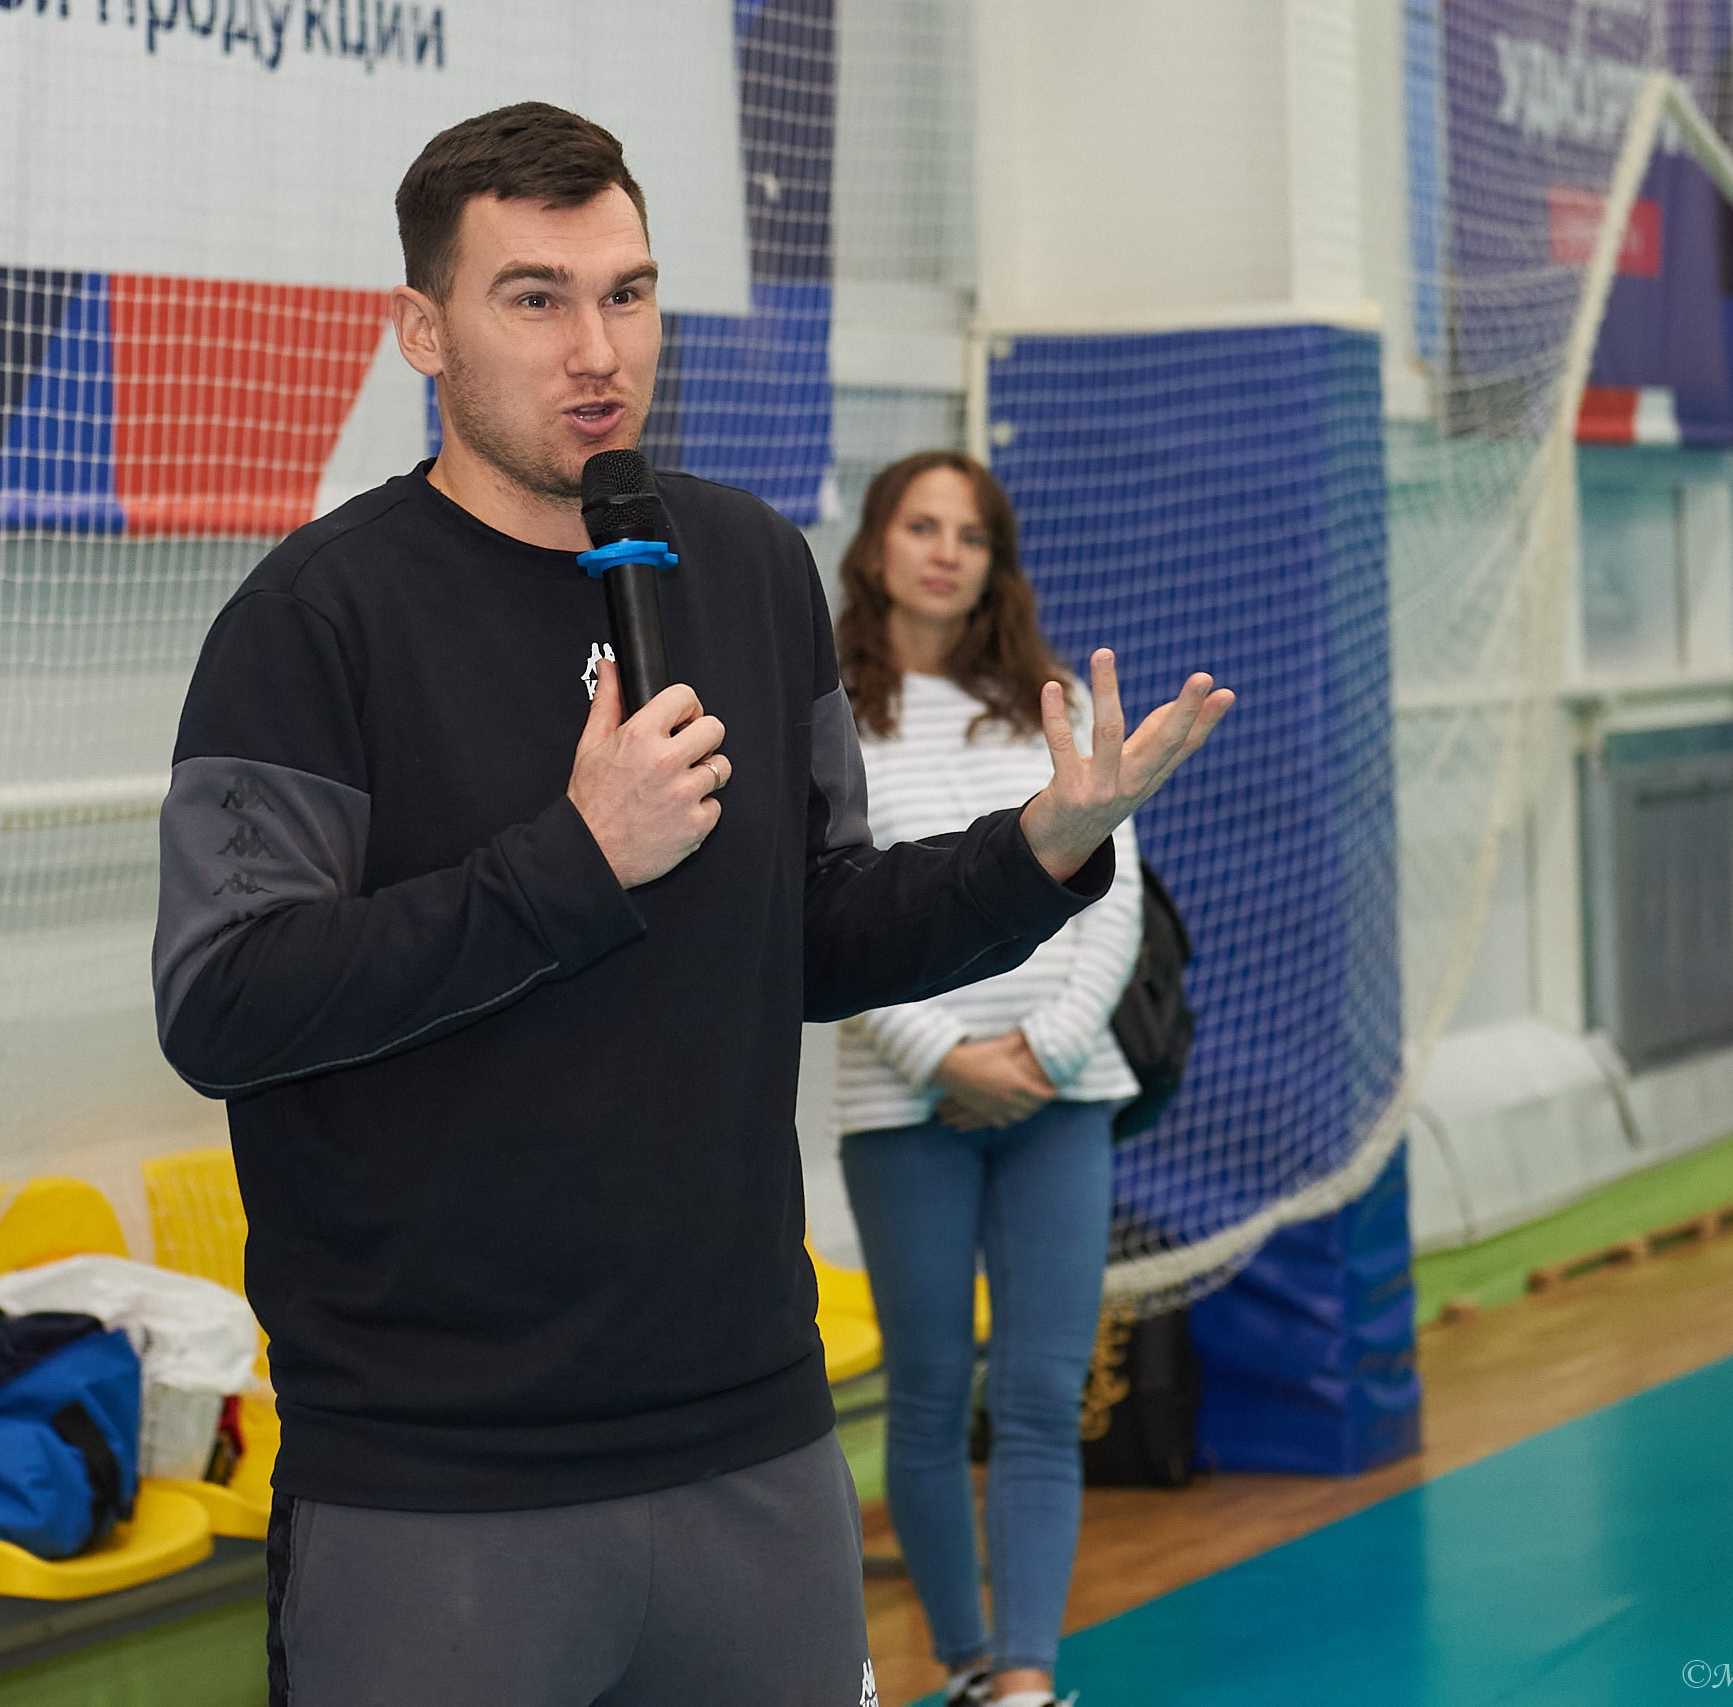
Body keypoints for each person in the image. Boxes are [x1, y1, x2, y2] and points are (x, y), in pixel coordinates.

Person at [153, 102, 1232, 1707]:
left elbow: (818, 925)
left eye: (631, 292)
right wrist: (571, 860)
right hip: (438, 1476)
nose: (600, 348)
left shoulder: (741, 565)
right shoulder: (314, 617)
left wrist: (1041, 847)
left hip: (751, 1439)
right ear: (419, 330)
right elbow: (225, 999)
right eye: (536, 297)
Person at [833, 452, 1143, 1707]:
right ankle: (963, 1665)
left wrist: (1041, 1056)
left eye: (970, 532)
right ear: (876, 546)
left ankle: (1023, 1682)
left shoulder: (1044, 711)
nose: (945, 550)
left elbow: (1111, 900)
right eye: (922, 525)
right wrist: (944, 1056)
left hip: (1059, 1102)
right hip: (903, 1109)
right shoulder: (831, 718)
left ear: (994, 561)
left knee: (1034, 1391)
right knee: (924, 1394)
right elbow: (824, 914)